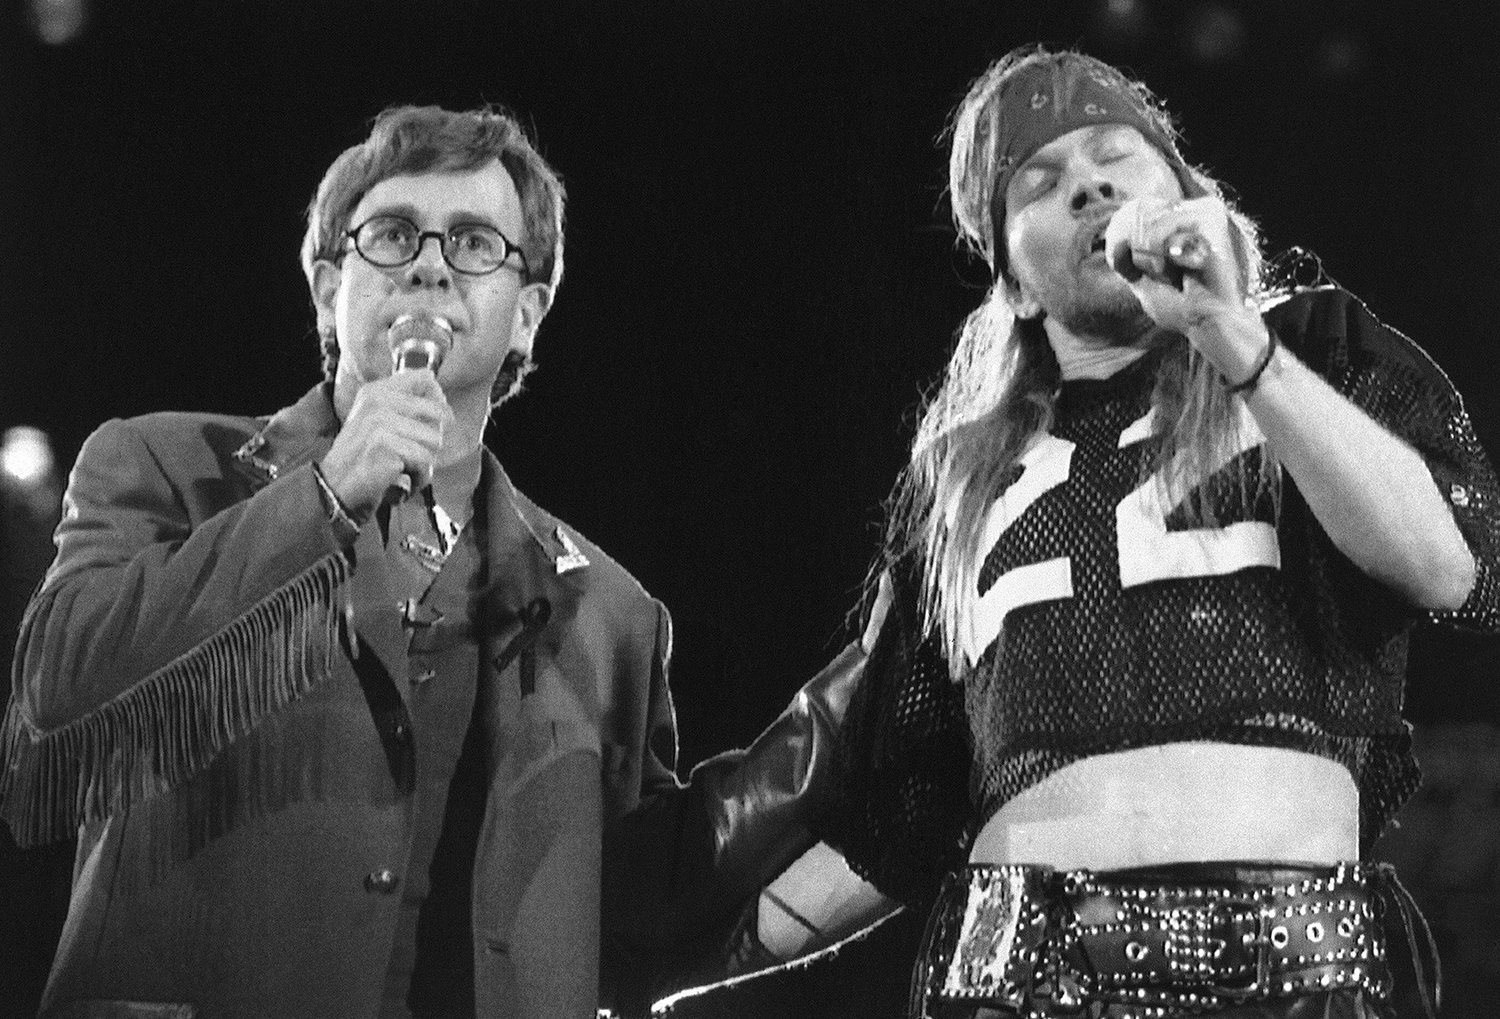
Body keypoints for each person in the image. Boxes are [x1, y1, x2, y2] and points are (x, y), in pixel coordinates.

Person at [700, 45, 1500, 1019]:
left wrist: (1231, 333)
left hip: (1298, 960)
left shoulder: (1315, 348)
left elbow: (1447, 563)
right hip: (1017, 968)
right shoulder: (960, 479)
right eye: (1042, 180)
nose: (1089, 183)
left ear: (1186, 189)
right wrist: (645, 960)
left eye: (1117, 153)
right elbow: (895, 809)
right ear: (1016, 281)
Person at [0, 104, 836, 1019]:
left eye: (477, 242)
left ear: (527, 316)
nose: (433, 262)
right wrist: (322, 495)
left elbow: (645, 904)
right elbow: (56, 693)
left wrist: (854, 711)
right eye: (394, 235)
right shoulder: (163, 465)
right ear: (328, 288)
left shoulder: (612, 615)